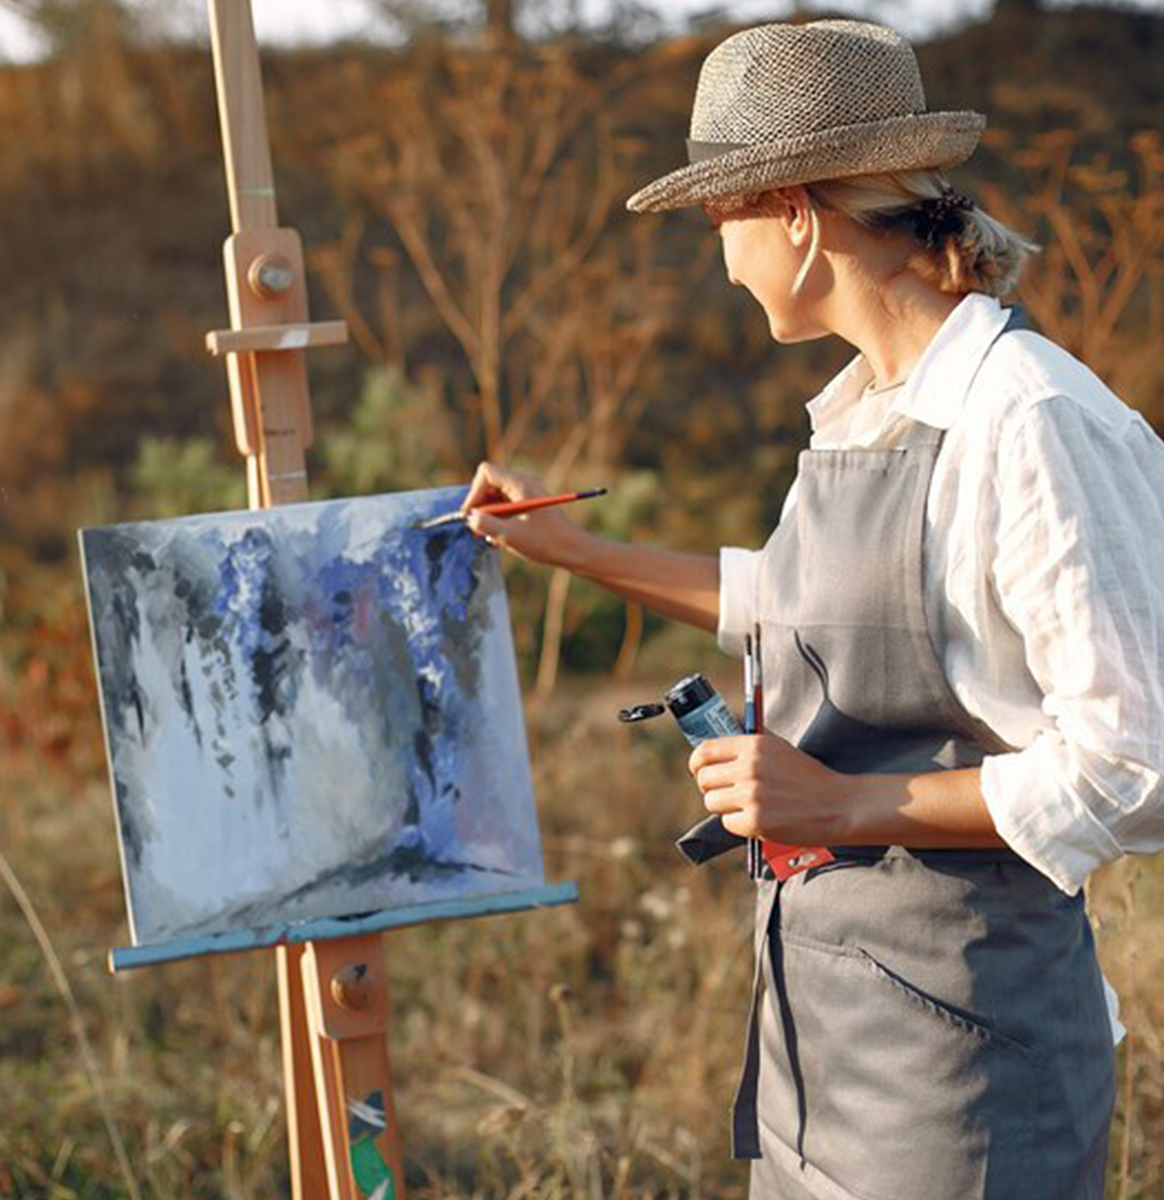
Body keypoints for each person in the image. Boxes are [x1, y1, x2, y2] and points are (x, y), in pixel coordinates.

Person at [461, 19, 1164, 1199]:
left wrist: (845, 799)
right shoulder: (864, 410)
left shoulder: (1028, 418)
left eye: (717, 220)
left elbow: (1134, 765)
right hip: (820, 1044)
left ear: (793, 212)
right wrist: (574, 551)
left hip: (970, 1076)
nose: (718, 258)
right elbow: (789, 608)